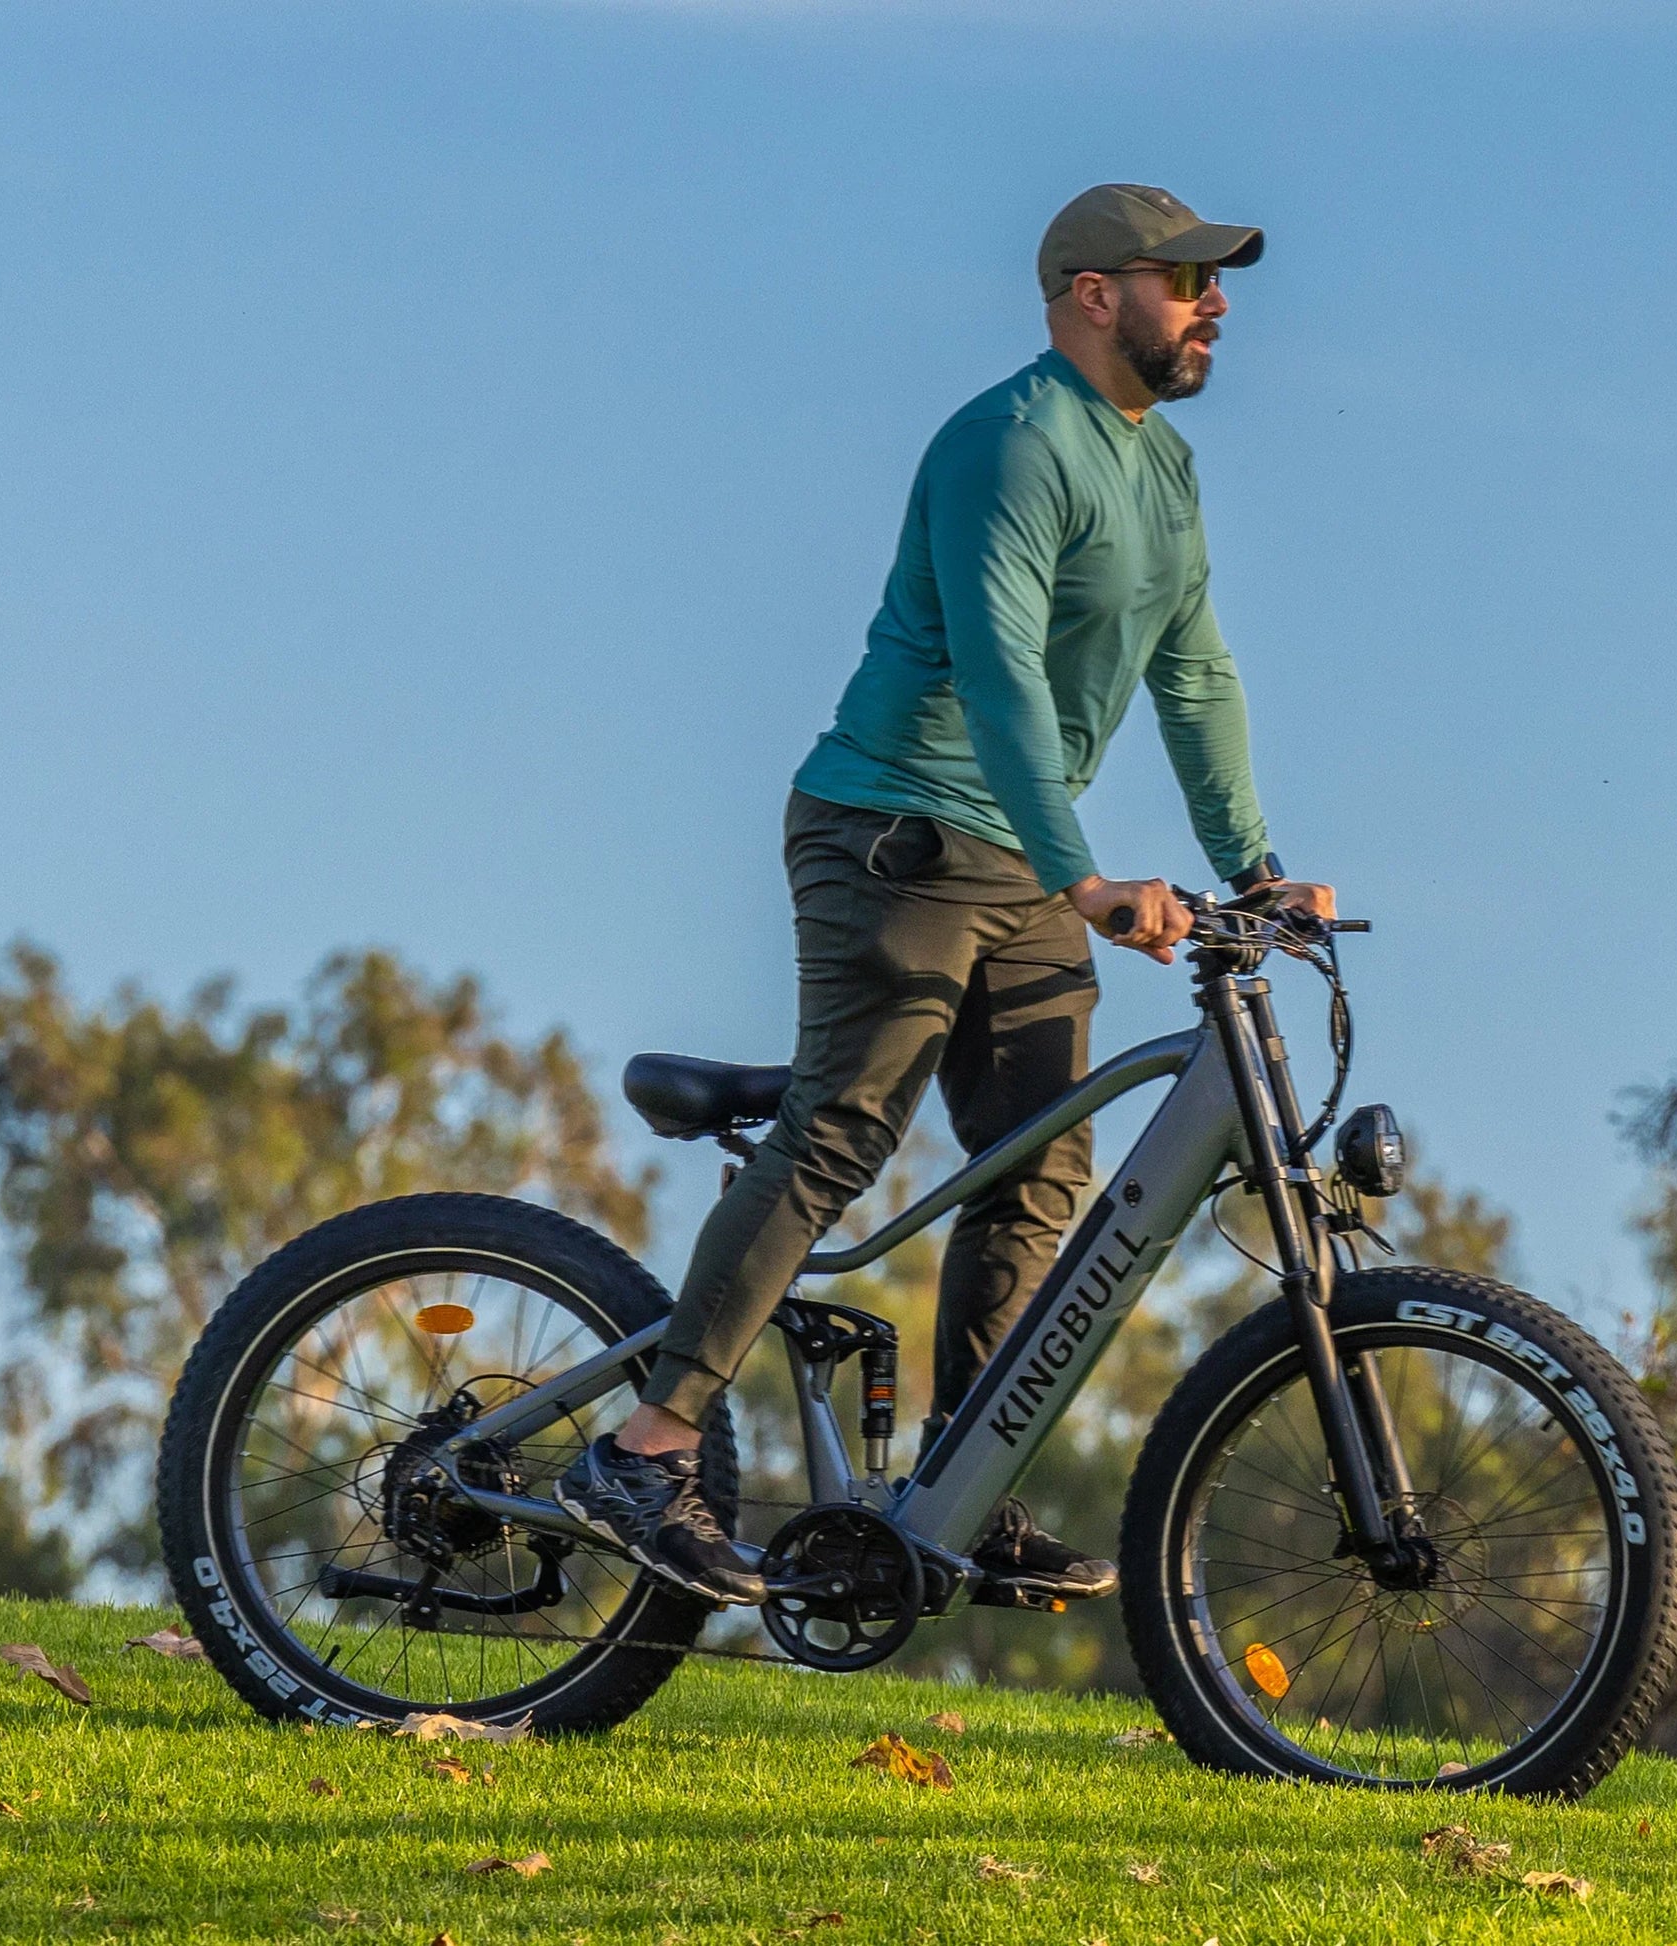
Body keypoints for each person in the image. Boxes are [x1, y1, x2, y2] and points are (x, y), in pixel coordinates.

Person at [560, 182, 1334, 1606]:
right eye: (1186, 281)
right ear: (1093, 296)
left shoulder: (1159, 472)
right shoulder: (1009, 442)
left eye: (1216, 285)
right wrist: (1086, 875)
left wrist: (1254, 871)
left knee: (1040, 1163)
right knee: (845, 1127)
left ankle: (962, 1491)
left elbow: (1195, 671)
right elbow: (995, 676)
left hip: (1024, 859)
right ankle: (646, 1446)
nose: (1215, 304)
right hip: (894, 827)